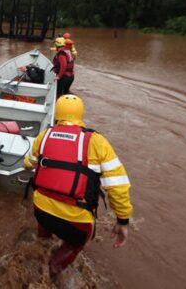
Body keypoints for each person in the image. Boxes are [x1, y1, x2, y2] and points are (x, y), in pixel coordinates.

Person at [24, 95, 133, 277]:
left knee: (44, 231)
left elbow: (29, 163)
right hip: (76, 221)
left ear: (57, 113)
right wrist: (122, 221)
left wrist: (28, 162)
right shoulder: (97, 142)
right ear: (80, 113)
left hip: (41, 210)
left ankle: (40, 248)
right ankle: (50, 274)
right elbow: (117, 186)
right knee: (73, 245)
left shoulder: (44, 136)